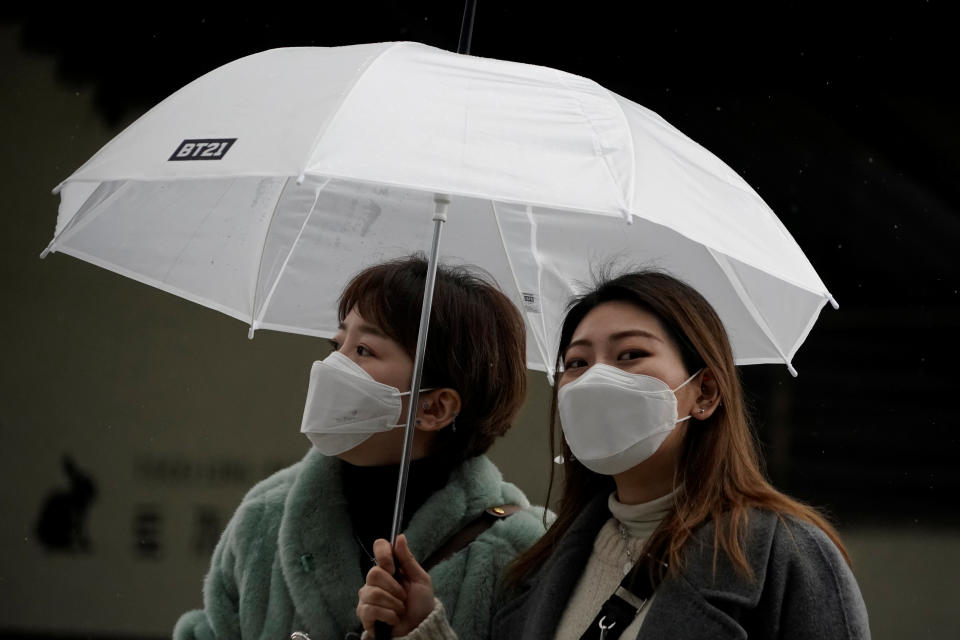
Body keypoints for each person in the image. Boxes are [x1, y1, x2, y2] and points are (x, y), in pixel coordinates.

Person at [357, 270, 870, 639]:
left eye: (631, 355)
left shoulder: (787, 555)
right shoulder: (543, 565)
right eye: (577, 362)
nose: (597, 378)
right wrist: (421, 630)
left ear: (706, 392)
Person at [174, 255, 547, 640]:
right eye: (337, 343)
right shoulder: (265, 518)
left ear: (435, 406)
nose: (333, 364)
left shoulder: (521, 554)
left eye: (363, 350)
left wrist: (424, 632)